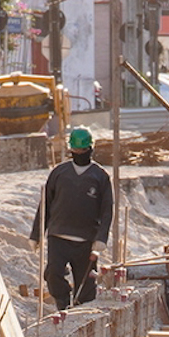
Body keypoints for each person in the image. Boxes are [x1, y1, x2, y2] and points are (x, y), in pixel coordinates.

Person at [28, 127, 114, 313]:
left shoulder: (100, 177)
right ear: (71, 150)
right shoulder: (59, 173)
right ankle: (63, 303)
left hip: (85, 240)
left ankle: (83, 311)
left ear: (91, 149)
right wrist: (36, 234)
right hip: (58, 236)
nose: (79, 154)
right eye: (76, 150)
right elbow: (46, 205)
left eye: (83, 150)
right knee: (53, 274)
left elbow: (107, 210)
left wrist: (101, 238)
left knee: (86, 285)